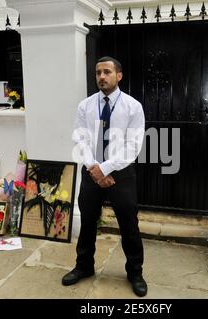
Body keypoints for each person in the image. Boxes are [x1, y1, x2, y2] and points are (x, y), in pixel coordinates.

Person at [63, 56, 147, 297]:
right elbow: (80, 138)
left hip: (121, 173)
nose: (101, 76)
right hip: (91, 171)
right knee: (88, 221)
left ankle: (135, 272)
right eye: (98, 72)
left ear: (118, 75)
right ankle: (84, 267)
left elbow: (133, 145)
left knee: (129, 224)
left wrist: (106, 168)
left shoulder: (133, 106)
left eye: (107, 72)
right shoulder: (85, 106)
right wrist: (94, 168)